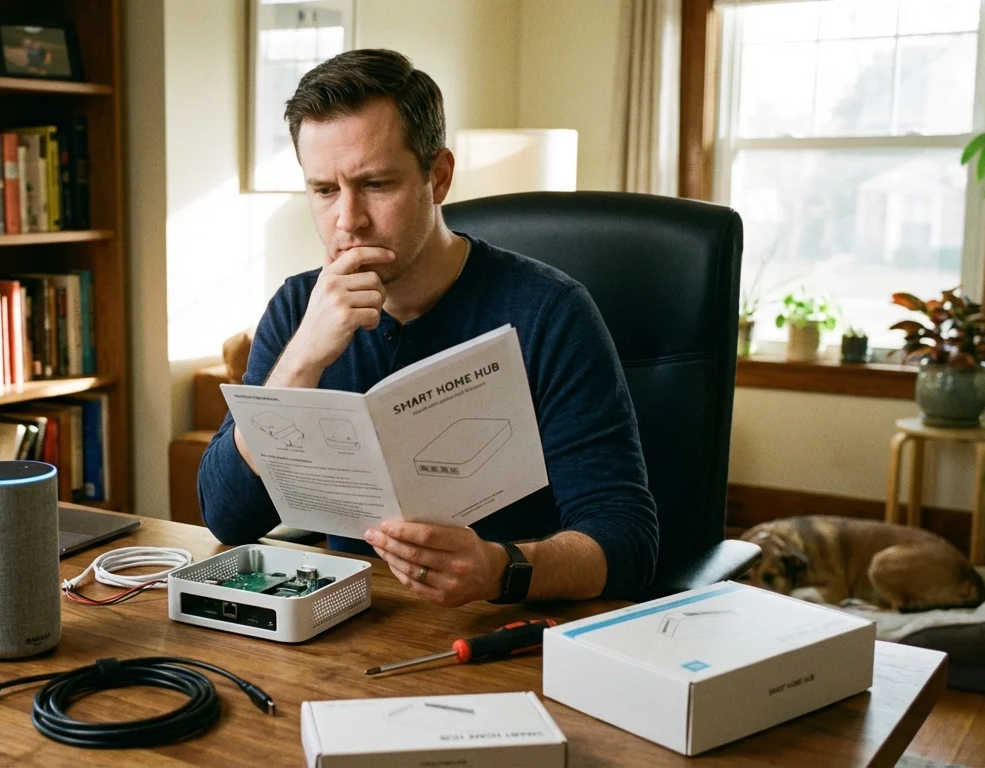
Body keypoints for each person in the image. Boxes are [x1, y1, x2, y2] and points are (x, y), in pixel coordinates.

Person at [197, 49, 658, 606]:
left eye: (375, 184)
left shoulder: (551, 313)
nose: (348, 220)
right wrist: (300, 362)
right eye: (324, 190)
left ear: (438, 178)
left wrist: (499, 569)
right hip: (349, 617)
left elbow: (626, 540)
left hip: (501, 626)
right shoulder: (300, 306)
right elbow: (227, 519)